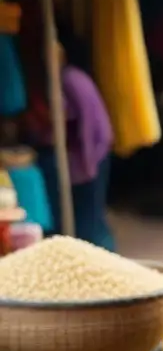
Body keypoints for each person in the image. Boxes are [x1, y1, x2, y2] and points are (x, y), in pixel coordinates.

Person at [25, 39, 115, 249]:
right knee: (92, 213)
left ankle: (100, 258)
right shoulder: (72, 76)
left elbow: (77, 123)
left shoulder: (67, 80)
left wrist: (87, 164)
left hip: (91, 152)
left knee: (89, 217)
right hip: (94, 151)